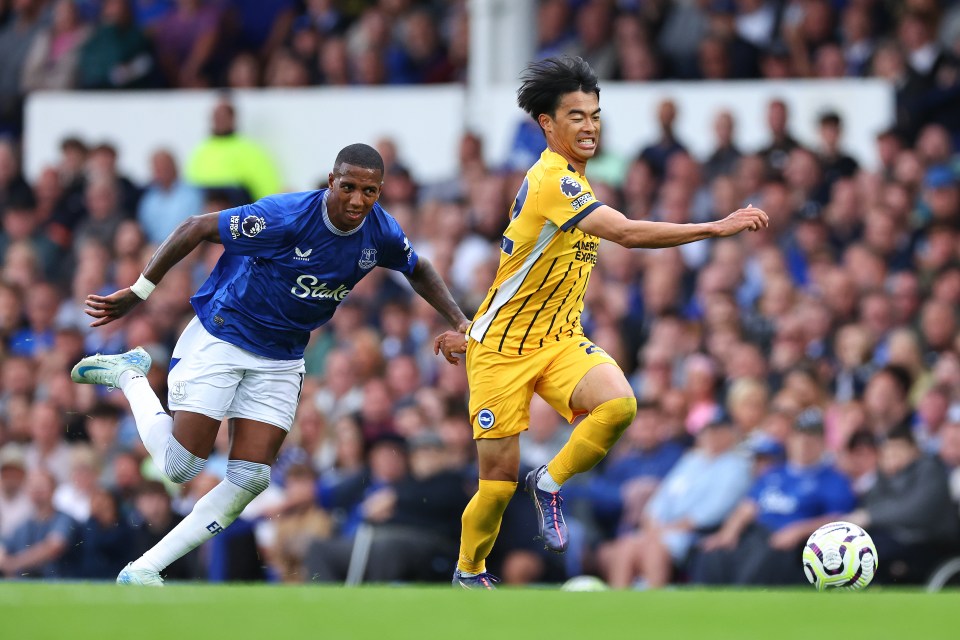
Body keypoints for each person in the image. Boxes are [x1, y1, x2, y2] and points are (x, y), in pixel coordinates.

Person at [434, 56, 768, 589]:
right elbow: (629, 234)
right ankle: (469, 571)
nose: (589, 126)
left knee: (619, 405)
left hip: (559, 340)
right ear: (547, 124)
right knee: (495, 485)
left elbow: (518, 274)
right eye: (576, 116)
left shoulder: (576, 181)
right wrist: (716, 226)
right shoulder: (551, 180)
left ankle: (549, 482)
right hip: (501, 351)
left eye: (594, 115)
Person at [71, 143, 469, 585]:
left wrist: (460, 321)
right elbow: (195, 227)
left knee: (250, 480)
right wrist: (139, 291)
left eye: (370, 191)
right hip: (224, 335)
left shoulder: (381, 232)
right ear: (331, 182)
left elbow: (418, 267)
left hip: (282, 357)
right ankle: (130, 374)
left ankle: (144, 568)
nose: (358, 200)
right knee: (181, 467)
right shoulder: (286, 216)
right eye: (349, 187)